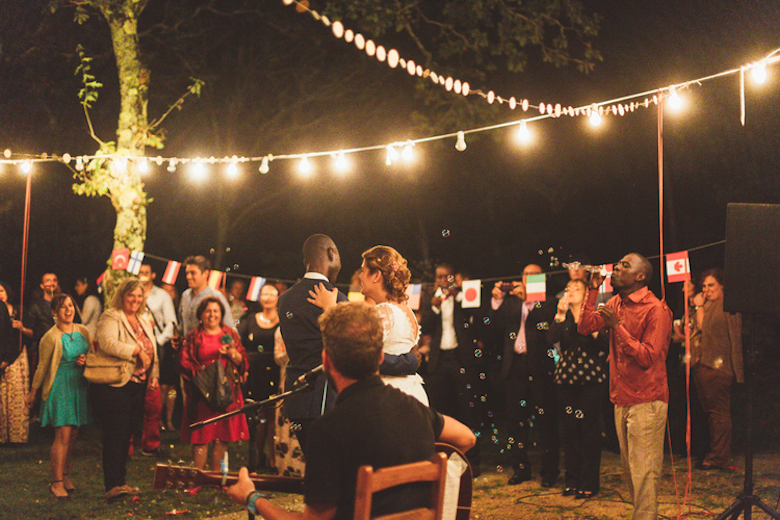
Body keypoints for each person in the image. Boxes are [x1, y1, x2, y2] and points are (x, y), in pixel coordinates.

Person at [226, 302, 476, 520]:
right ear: (380, 356)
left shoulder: (328, 431)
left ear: (326, 361)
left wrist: (252, 497)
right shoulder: (416, 409)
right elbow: (466, 438)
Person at [578, 253, 672, 520]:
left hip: (647, 400)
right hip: (622, 397)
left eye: (625, 265)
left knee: (644, 473)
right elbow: (584, 326)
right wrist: (593, 289)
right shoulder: (617, 301)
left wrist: (617, 327)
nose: (617, 268)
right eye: (617, 264)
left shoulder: (656, 309)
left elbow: (647, 357)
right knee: (631, 471)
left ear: (641, 276)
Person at [309, 245, 426, 404]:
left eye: (363, 271)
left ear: (376, 275)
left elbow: (358, 353)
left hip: (388, 396)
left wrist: (330, 309)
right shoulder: (407, 311)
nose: (360, 277)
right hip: (411, 392)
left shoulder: (383, 311)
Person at [277, 234, 348, 454]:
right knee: (328, 470)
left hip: (295, 397)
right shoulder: (337, 299)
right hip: (326, 398)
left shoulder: (285, 298)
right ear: (330, 253)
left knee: (315, 464)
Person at [490, 264, 559, 487]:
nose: (530, 278)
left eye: (534, 274)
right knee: (516, 422)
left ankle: (549, 472)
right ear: (520, 277)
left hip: (539, 368)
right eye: (526, 274)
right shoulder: (511, 301)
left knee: (545, 421)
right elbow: (494, 324)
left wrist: (528, 301)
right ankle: (520, 468)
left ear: (542, 278)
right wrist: (498, 300)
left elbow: (542, 324)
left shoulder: (549, 301)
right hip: (515, 367)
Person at [92, 277, 159, 503]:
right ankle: (111, 484)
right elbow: (107, 342)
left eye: (139, 296)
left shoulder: (143, 319)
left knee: (128, 433)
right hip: (117, 383)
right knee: (115, 434)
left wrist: (154, 375)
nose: (135, 299)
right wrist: (136, 351)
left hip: (138, 384)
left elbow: (154, 350)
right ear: (122, 295)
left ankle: (121, 481)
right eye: (131, 295)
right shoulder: (112, 316)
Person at [25, 294, 91, 499]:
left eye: (70, 306)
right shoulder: (50, 337)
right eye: (62, 307)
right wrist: (33, 393)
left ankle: (65, 474)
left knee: (73, 434)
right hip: (59, 387)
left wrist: (86, 360)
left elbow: (93, 355)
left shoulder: (83, 331)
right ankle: (57, 482)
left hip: (78, 387)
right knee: (62, 435)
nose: (68, 310)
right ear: (54, 312)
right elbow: (42, 367)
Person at [549, 279, 608, 498]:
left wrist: (592, 328)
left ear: (586, 295)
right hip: (566, 380)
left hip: (590, 379)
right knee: (570, 430)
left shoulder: (595, 315)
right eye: (568, 288)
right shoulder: (562, 316)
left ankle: (589, 482)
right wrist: (559, 314)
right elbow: (551, 338)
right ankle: (572, 481)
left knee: (589, 430)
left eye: (577, 288)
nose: (571, 291)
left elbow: (605, 343)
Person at [420, 263, 481, 471]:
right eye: (438, 277)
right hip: (439, 361)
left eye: (446, 276)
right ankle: (443, 460)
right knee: (440, 410)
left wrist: (458, 296)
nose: (442, 280)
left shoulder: (466, 295)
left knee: (467, 408)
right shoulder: (432, 299)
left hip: (460, 359)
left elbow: (476, 320)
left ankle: (472, 461)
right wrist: (435, 307)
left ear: (454, 278)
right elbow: (424, 327)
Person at [179, 296, 249, 470]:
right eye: (208, 311)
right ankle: (198, 476)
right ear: (201, 315)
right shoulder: (193, 336)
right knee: (202, 435)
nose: (212, 315)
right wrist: (204, 376)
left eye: (216, 311)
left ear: (221, 314)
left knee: (222, 436)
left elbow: (243, 360)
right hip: (204, 392)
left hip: (226, 391)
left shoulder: (230, 334)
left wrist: (232, 353)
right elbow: (183, 361)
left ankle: (217, 477)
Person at [691, 268, 743, 470]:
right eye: (704, 286)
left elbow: (706, 327)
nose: (706, 289)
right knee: (713, 414)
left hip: (717, 367)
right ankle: (714, 454)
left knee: (719, 413)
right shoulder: (711, 304)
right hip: (704, 365)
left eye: (711, 285)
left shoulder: (726, 305)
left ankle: (718, 458)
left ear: (722, 286)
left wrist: (699, 307)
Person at [237, 283, 281, 471]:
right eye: (264, 293)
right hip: (254, 371)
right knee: (255, 415)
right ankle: (255, 456)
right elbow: (241, 345)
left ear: (278, 297)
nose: (268, 297)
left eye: (272, 294)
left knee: (271, 415)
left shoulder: (284, 321)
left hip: (274, 370)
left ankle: (272, 458)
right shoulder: (249, 320)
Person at [138, 263, 178, 455]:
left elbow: (171, 323)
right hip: (136, 347)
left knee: (157, 389)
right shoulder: (133, 294)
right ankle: (135, 437)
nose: (143, 275)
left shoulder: (162, 295)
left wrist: (158, 343)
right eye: (140, 273)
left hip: (158, 347)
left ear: (153, 274)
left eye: (147, 272)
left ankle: (155, 431)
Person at [0, 281, 31, 444]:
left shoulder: (19, 310)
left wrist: (21, 327)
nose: (0, 294)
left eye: (2, 290)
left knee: (17, 394)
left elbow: (32, 333)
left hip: (17, 355)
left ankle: (18, 435)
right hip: (3, 354)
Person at [272, 328, 305, 477]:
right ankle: (285, 469)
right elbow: (278, 357)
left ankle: (303, 469)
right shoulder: (282, 330)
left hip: (307, 384)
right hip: (287, 381)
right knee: (286, 424)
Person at [178, 256, 234, 336]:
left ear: (205, 274)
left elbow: (230, 328)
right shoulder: (185, 295)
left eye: (193, 273)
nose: (188, 277)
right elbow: (182, 325)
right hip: (188, 347)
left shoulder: (216, 296)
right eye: (187, 273)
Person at [24, 272, 61, 374]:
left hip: (63, 349)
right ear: (42, 285)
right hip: (43, 350)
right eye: (48, 280)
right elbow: (30, 330)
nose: (51, 283)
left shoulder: (63, 303)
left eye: (54, 280)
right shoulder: (36, 306)